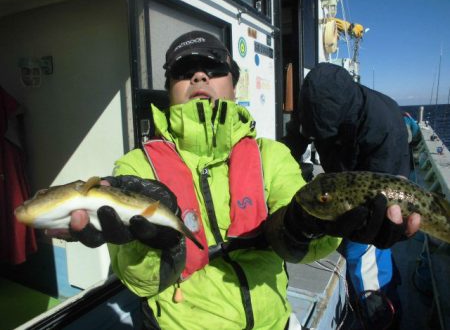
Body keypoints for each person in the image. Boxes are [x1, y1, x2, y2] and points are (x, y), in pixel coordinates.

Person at [57, 33, 421, 329]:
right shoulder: (134, 167)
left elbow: (305, 244)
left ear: (234, 84)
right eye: (184, 71)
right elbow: (143, 283)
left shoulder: (271, 156)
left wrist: (303, 227)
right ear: (168, 88)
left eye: (213, 68)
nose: (199, 77)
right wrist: (148, 248)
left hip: (273, 321)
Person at [282, 62, 414, 329]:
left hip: (379, 181)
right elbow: (295, 141)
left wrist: (366, 223)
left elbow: (385, 195)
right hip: (342, 180)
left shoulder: (382, 125)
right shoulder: (310, 109)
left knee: (365, 251)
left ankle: (383, 314)